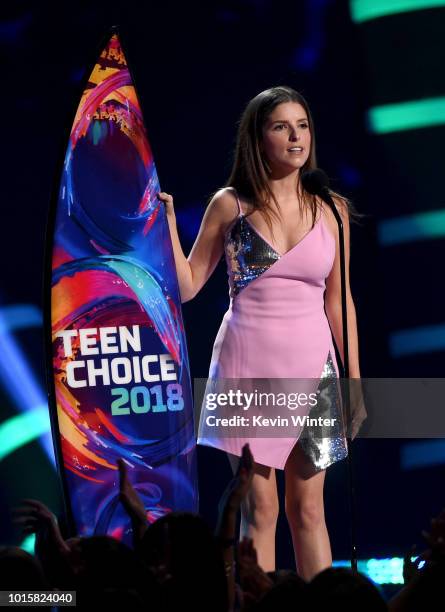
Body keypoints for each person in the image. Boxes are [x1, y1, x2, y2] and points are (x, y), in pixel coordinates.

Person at [157, 85, 362, 580]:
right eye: (280, 127)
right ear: (258, 137)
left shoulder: (332, 210)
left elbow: (339, 301)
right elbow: (186, 288)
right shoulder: (232, 205)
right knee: (260, 510)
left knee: (310, 510)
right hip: (248, 367)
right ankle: (259, 610)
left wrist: (354, 382)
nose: (295, 137)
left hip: (314, 369)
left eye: (303, 126)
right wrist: (166, 224)